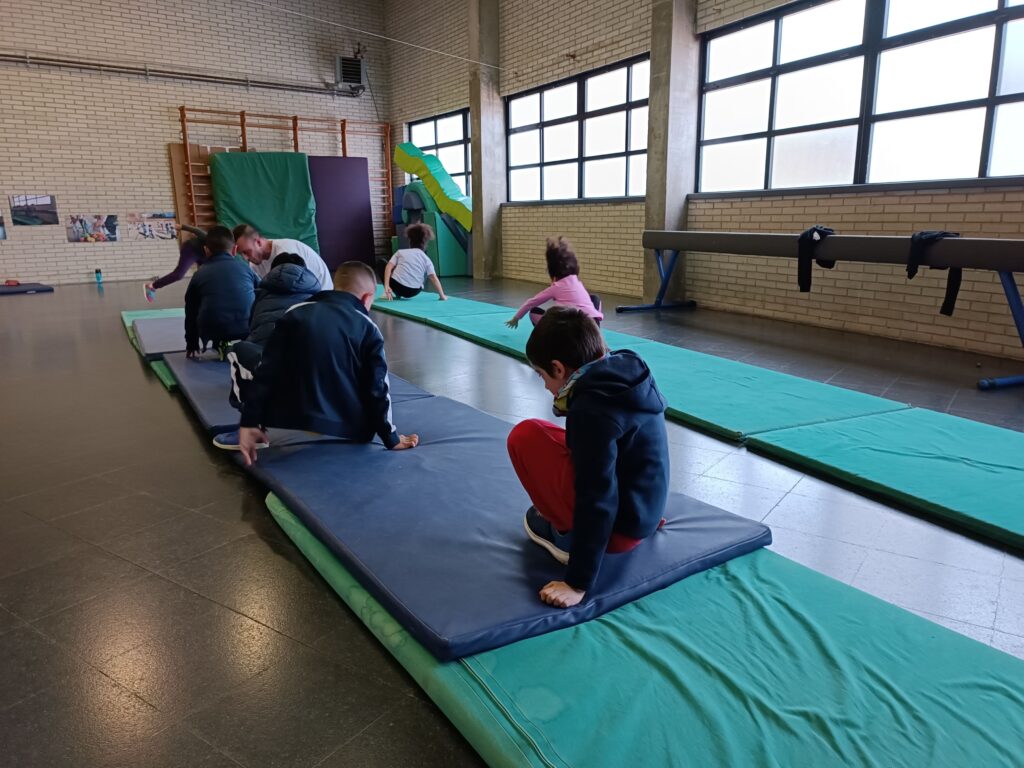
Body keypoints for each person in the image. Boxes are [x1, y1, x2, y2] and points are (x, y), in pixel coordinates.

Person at [506, 307, 669, 609]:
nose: (545, 386)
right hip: (645, 511)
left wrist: (577, 582)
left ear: (558, 368)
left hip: (620, 534)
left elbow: (597, 496)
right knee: (552, 434)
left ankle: (564, 535)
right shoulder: (628, 369)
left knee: (524, 436)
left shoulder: (591, 410)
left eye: (542, 375)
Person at [228, 261, 419, 464]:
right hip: (351, 427)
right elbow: (378, 388)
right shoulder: (368, 327)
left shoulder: (294, 312)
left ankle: (257, 429)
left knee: (240, 350)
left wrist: (249, 421)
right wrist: (391, 438)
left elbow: (267, 371)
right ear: (366, 298)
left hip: (288, 417)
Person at [226, 253, 321, 410]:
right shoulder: (315, 297)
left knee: (238, 349)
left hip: (262, 362)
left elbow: (252, 326)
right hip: (303, 369)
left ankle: (244, 403)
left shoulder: (260, 294)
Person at [183, 225, 259, 359]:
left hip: (215, 330)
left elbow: (190, 311)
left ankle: (221, 343)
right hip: (248, 328)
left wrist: (192, 343)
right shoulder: (246, 269)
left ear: (206, 251)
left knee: (199, 306)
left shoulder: (200, 274)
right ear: (234, 250)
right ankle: (248, 343)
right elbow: (263, 293)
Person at [505, 237, 603, 328]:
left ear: (553, 273)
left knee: (534, 312)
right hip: (592, 326)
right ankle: (595, 328)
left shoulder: (556, 288)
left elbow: (531, 303)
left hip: (571, 329)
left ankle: (553, 337)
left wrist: (516, 318)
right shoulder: (577, 282)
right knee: (594, 298)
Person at [233, 224, 334, 293]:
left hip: (321, 295)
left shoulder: (286, 252)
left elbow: (298, 291)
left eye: (247, 252)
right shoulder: (254, 263)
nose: (245, 258)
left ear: (258, 242)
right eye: (241, 254)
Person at [382, 223, 448, 301]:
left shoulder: (400, 252)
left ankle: (389, 292)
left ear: (410, 240)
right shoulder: (426, 259)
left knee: (382, 263)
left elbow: (388, 267)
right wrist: (442, 295)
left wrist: (387, 286)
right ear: (425, 243)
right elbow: (433, 277)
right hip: (413, 291)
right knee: (427, 271)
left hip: (396, 287)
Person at [144, 225, 209, 298]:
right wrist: (182, 227)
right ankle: (152, 286)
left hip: (203, 256)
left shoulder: (218, 255)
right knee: (179, 275)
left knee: (207, 276)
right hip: (191, 249)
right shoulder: (208, 238)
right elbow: (197, 230)